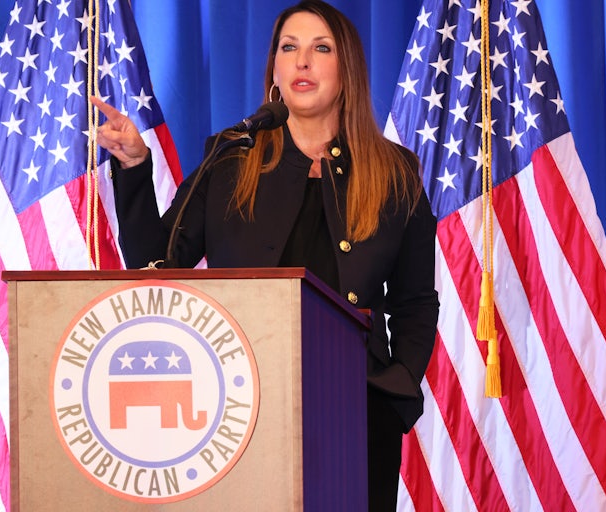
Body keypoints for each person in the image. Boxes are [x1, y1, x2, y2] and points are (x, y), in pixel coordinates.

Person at [93, 1, 439, 509]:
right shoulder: (231, 157)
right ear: (274, 71)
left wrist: (396, 391)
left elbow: (415, 301)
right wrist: (135, 169)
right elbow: (156, 265)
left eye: (321, 48)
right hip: (239, 413)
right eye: (289, 48)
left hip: (357, 414)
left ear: (347, 71)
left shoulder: (394, 172)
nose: (302, 62)